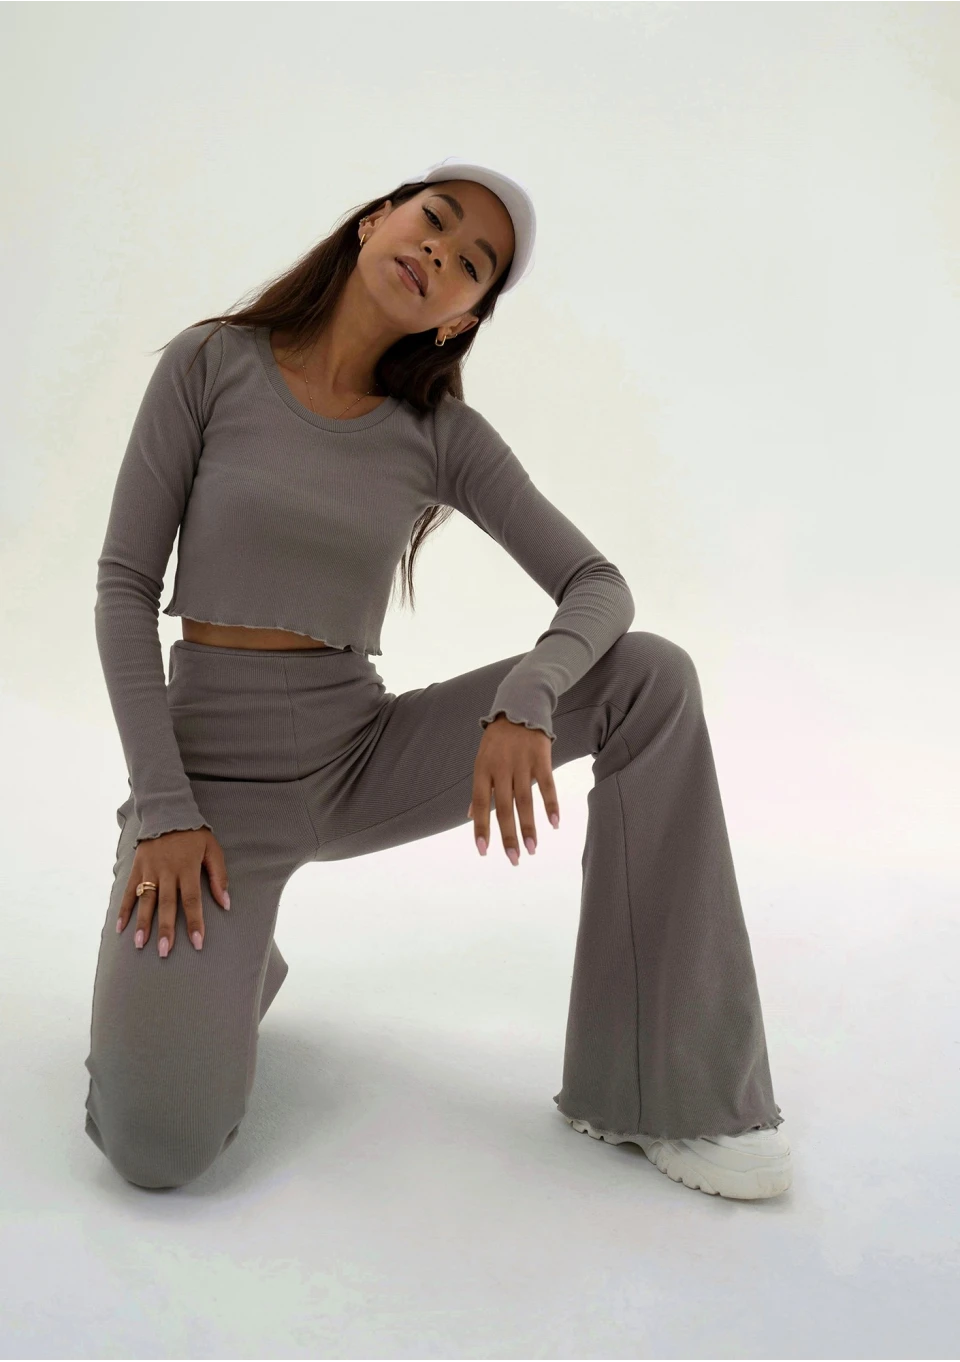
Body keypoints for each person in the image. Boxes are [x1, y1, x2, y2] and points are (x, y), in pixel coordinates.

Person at [84, 157, 791, 1200]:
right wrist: (163, 809)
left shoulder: (441, 436)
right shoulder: (211, 363)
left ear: (461, 319)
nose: (440, 252)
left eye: (472, 264)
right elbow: (123, 588)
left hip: (358, 756)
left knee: (651, 677)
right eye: (435, 220)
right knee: (155, 1151)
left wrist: (529, 697)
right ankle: (232, 968)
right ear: (375, 220)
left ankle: (670, 1095)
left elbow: (597, 585)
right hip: (207, 794)